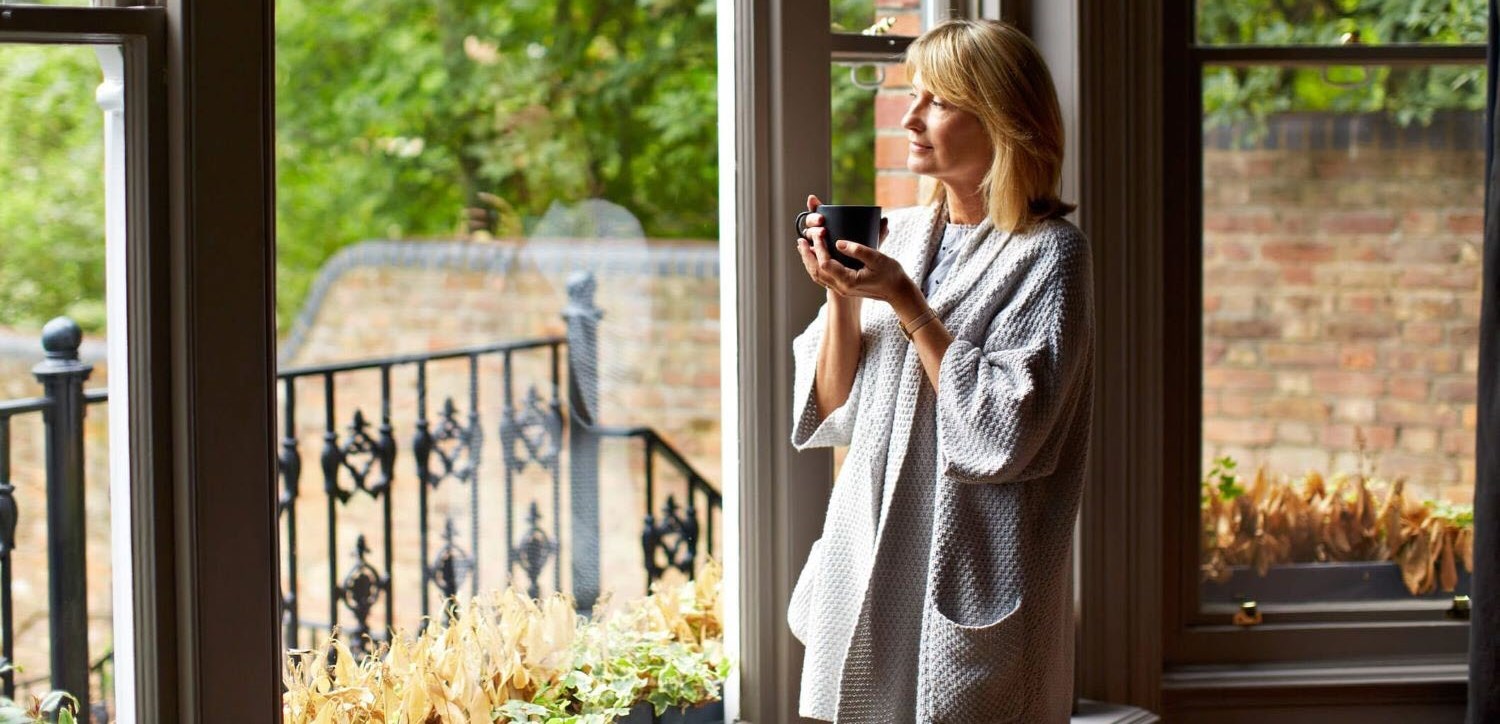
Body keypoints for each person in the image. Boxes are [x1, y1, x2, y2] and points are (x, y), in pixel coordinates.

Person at [787, 18, 1093, 723]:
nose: (910, 117)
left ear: (1004, 121)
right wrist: (840, 291)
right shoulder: (905, 236)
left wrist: (905, 301)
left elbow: (1002, 433)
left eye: (940, 102)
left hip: (964, 565)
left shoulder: (1049, 256)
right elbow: (833, 408)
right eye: (914, 95)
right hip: (867, 554)